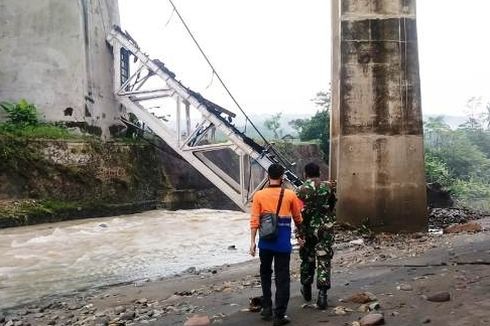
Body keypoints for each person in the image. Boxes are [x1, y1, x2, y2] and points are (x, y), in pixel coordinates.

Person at [250, 163, 302, 326]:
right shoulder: (290, 195)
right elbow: (298, 218)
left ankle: (266, 309)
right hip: (282, 244)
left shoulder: (258, 195)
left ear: (267, 176)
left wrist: (252, 242)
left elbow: (255, 221)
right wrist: (300, 235)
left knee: (265, 274)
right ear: (282, 177)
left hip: (265, 243)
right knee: (282, 278)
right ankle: (279, 315)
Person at [296, 162, 336, 310]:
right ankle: (322, 295)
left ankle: (306, 289)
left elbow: (297, 213)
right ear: (319, 172)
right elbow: (332, 205)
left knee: (307, 258)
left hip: (307, 229)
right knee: (324, 258)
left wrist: (298, 233)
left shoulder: (299, 190)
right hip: (325, 228)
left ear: (305, 174)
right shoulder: (328, 187)